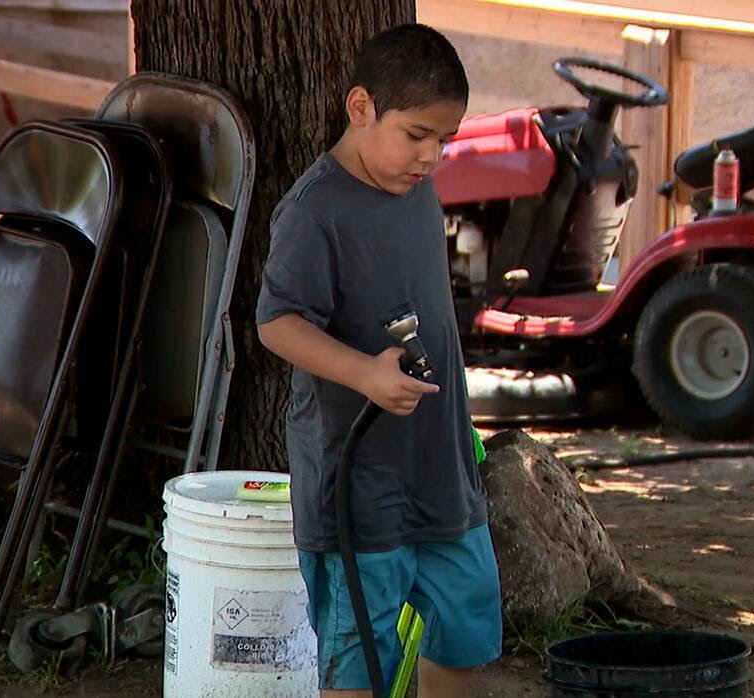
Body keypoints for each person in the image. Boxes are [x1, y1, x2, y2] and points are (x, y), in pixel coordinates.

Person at [255, 22, 501, 698]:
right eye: (416, 135)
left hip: (443, 471)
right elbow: (276, 323)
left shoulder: (415, 186)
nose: (429, 157)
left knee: (464, 635)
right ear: (361, 107)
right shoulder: (314, 210)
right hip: (359, 486)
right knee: (359, 656)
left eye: (443, 141)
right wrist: (365, 373)